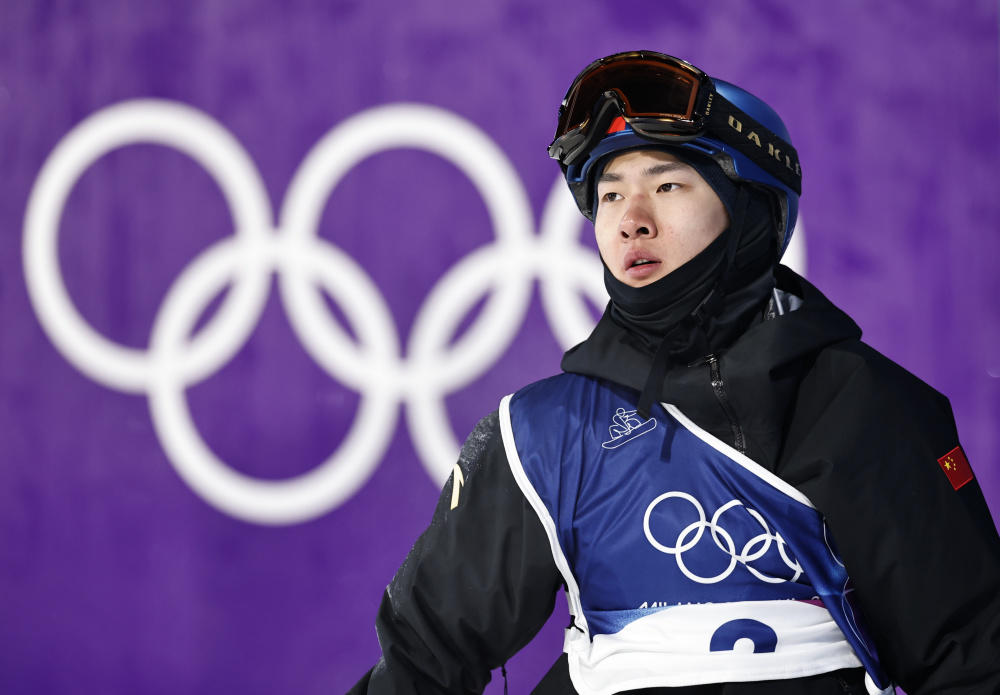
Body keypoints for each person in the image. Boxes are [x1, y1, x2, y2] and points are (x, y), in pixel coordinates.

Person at [349, 50, 1000, 695]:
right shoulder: (541, 434)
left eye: (666, 186)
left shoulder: (867, 405)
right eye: (610, 194)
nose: (631, 221)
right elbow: (420, 664)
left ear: (750, 206)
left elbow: (972, 659)